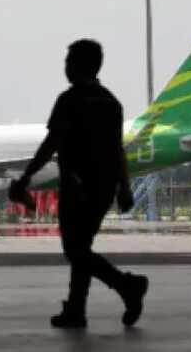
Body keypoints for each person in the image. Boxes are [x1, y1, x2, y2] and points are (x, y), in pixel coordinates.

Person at [10, 39, 148, 329]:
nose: (65, 67)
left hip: (77, 186)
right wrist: (124, 187)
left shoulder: (69, 100)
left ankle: (125, 286)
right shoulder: (111, 102)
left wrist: (25, 178)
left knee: (75, 250)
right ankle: (76, 309)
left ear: (77, 65)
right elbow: (116, 149)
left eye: (68, 61)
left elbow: (51, 145)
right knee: (81, 247)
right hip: (104, 186)